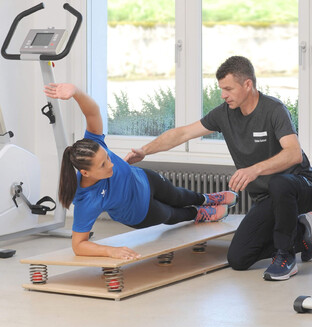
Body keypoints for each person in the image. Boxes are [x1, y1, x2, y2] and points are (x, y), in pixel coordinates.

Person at [125, 56, 312, 281]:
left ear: (248, 85)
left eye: (228, 88)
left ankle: (285, 257)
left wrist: (254, 170)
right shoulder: (223, 114)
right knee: (238, 259)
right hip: (269, 198)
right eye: (221, 89)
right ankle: (300, 232)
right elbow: (182, 133)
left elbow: (293, 153)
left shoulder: (273, 109)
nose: (223, 95)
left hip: (301, 187)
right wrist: (145, 150)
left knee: (280, 183)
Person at [44, 83, 238, 261]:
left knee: (178, 195)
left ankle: (206, 198)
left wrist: (76, 92)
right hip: (140, 212)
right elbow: (78, 245)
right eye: (103, 165)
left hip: (144, 179)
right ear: (85, 173)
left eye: (108, 158)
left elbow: (92, 113)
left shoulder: (94, 145)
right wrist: (110, 251)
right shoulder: (86, 200)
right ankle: (199, 214)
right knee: (173, 215)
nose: (111, 165)